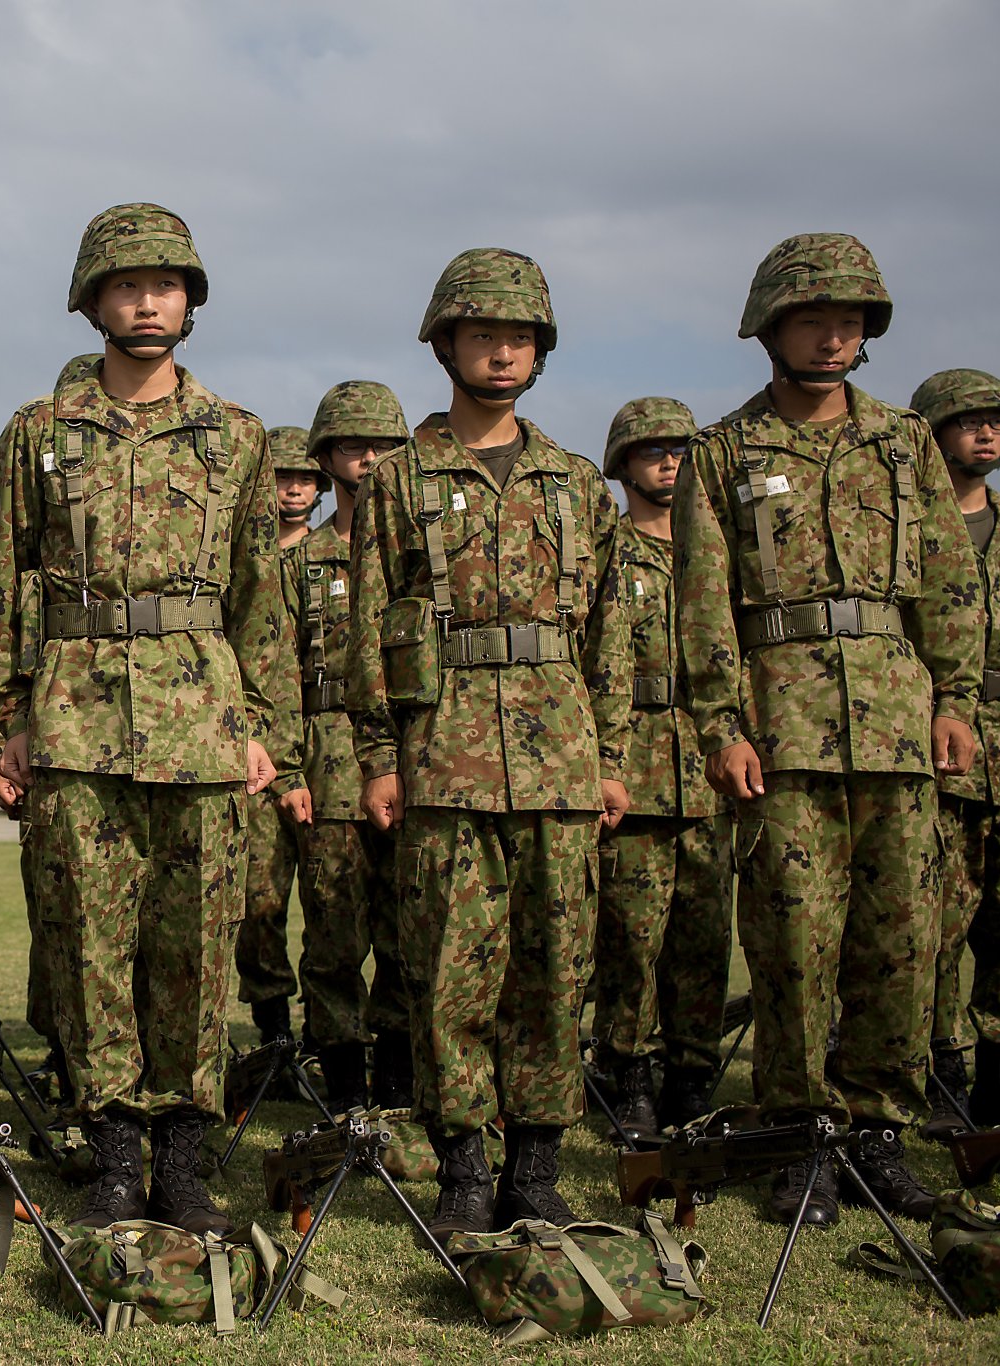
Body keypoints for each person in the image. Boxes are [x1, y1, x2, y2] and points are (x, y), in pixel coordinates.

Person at [0, 203, 297, 1235]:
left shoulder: (237, 436)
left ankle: (181, 1155)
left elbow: (261, 596)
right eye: (125, 285)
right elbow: (8, 583)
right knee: (87, 947)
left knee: (197, 949)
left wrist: (266, 728)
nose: (145, 300)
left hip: (200, 721)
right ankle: (113, 1150)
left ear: (190, 301)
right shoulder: (36, 432)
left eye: (164, 284)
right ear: (91, 302)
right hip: (73, 719)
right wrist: (7, 720)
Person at [675, 233, 981, 1226]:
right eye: (812, 317)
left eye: (849, 320)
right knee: (789, 943)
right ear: (769, 327)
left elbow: (945, 580)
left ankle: (876, 1135)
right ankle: (798, 1138)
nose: (832, 334)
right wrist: (721, 722)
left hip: (894, 728)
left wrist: (953, 700)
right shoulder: (721, 450)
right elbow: (702, 602)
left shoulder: (902, 443)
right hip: (781, 730)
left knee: (898, 942)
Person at [347, 248, 630, 1234]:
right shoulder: (396, 481)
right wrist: (379, 758)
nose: (499, 352)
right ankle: (464, 1162)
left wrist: (612, 758)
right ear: (445, 346)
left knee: (554, 972)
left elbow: (608, 636)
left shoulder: (575, 483)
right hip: (444, 759)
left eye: (517, 337)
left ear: (537, 350)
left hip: (558, 758)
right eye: (480, 335)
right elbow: (368, 630)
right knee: (450, 971)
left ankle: (536, 1163)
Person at [590, 398, 734, 1137]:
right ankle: (629, 1075)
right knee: (630, 943)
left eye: (679, 449)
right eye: (651, 451)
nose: (669, 462)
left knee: (704, 941)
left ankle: (692, 1079)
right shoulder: (608, 549)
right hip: (637, 772)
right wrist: (606, 758)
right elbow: (598, 662)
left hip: (710, 777)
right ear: (622, 465)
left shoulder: (719, 552)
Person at [907, 368, 1000, 1134]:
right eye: (967, 421)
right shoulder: (910, 534)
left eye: (997, 422)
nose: (986, 433)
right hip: (935, 757)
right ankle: (935, 1072)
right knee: (931, 930)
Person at [280, 382, 412, 1110]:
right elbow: (277, 671)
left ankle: (399, 1084)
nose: (369, 458)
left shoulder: (420, 554)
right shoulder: (302, 562)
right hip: (329, 769)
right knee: (333, 942)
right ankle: (344, 1091)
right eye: (354, 446)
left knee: (408, 936)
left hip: (417, 763)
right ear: (326, 457)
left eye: (384, 445)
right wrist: (289, 770)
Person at [237, 426, 320, 1051]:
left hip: (328, 749)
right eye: (283, 477)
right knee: (257, 904)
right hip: (259, 751)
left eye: (305, 477)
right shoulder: (247, 566)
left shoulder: (338, 558)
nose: (294, 488)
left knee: (333, 904)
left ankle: (332, 1040)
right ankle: (274, 1038)